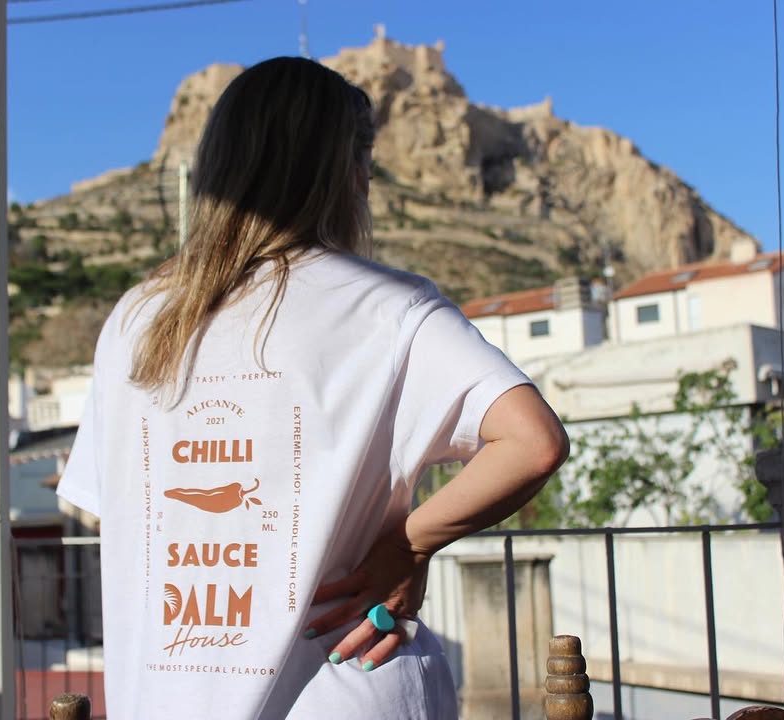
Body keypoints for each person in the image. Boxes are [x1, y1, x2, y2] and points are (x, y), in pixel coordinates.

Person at [57, 56, 568, 720]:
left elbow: (123, 510)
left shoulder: (137, 319)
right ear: (346, 172)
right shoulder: (389, 307)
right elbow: (533, 442)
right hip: (349, 685)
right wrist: (409, 543)